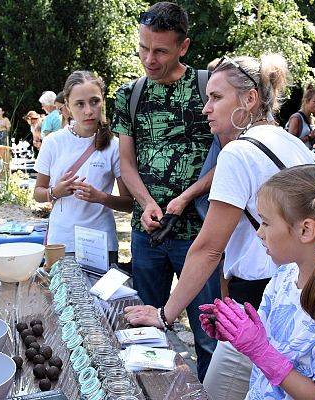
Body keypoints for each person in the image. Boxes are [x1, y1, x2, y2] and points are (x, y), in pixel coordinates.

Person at [123, 53, 315, 399]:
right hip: (296, 284)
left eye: (216, 97)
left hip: (262, 296)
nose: (206, 108)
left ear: (249, 100)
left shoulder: (236, 153)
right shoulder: (287, 139)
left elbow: (209, 248)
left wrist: (164, 313)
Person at [112, 1, 219, 382]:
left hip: (202, 237)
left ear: (183, 47)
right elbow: (127, 162)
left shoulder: (210, 87)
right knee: (145, 328)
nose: (149, 59)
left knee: (209, 338)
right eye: (143, 47)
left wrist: (187, 196)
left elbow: (228, 158)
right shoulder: (129, 94)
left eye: (160, 50)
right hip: (148, 235)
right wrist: (146, 202)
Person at [201, 165, 315, 399]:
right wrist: (236, 327)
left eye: (266, 223)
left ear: (305, 230)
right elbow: (270, 333)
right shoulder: (286, 274)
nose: (259, 233)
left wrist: (260, 351)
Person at [34, 71, 133, 263]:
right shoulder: (53, 142)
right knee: (62, 293)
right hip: (62, 242)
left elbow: (128, 204)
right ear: (67, 107)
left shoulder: (115, 146)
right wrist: (55, 192)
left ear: (103, 101)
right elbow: (38, 193)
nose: (88, 110)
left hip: (101, 244)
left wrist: (101, 197)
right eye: (80, 104)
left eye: (94, 101)